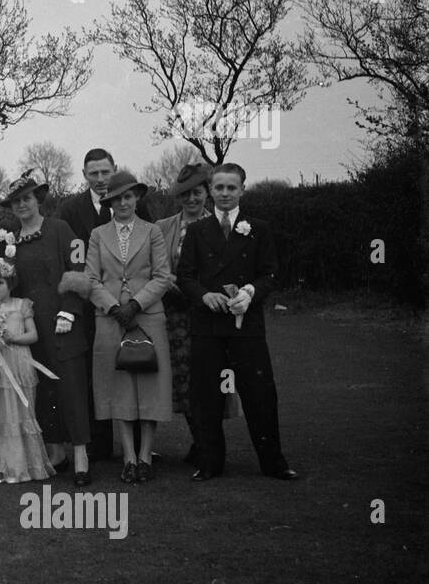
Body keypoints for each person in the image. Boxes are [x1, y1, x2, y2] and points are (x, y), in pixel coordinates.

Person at [176, 164, 299, 482]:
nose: (225, 194)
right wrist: (205, 296)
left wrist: (250, 292)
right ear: (211, 191)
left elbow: (271, 273)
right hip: (208, 327)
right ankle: (210, 463)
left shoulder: (258, 228)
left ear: (243, 190)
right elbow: (185, 277)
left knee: (260, 394)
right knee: (206, 396)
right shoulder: (197, 232)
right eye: (219, 188)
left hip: (248, 327)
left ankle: (274, 463)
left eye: (232, 188)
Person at [84, 171, 174, 484]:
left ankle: (147, 455)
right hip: (110, 317)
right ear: (109, 202)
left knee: (149, 382)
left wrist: (135, 304)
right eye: (117, 198)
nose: (123, 203)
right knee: (118, 384)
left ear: (136, 198)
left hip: (146, 315)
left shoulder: (152, 232)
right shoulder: (98, 234)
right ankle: (129, 456)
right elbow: (91, 279)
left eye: (128, 196)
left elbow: (162, 276)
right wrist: (113, 307)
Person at [5, 174, 94, 485]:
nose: (22, 205)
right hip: (32, 325)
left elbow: (78, 270)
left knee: (71, 387)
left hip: (62, 320)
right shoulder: (12, 242)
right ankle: (56, 452)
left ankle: (81, 454)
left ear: (37, 199)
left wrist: (69, 311)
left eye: (27, 198)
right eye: (16, 201)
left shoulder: (60, 229)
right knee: (43, 390)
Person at [156, 163, 241, 469]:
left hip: (210, 313)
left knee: (209, 380)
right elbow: (158, 268)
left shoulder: (220, 225)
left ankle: (209, 444)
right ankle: (200, 441)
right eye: (185, 194)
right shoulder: (164, 227)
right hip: (175, 316)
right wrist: (173, 286)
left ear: (206, 192)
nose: (191, 199)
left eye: (197, 192)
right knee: (184, 382)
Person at [55, 147, 128, 463]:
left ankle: (133, 446)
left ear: (114, 170)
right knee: (90, 376)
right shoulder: (71, 210)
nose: (100, 179)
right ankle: (98, 447)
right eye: (94, 173)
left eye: (105, 172)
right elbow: (71, 261)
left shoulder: (130, 204)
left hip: (125, 305)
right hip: (86, 306)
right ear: (84, 175)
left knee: (128, 369)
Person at [0, 260, 55, 484]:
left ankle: (22, 465)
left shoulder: (21, 305)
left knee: (19, 413)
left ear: (10, 283)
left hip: (17, 363)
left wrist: (12, 337)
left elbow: (33, 335)